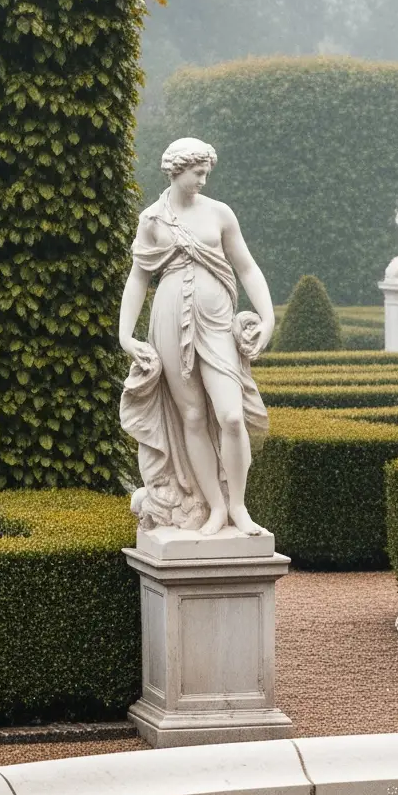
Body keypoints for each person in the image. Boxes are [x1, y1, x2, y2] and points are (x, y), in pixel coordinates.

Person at [118, 137, 275, 536]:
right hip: (169, 319)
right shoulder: (152, 219)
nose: (203, 180)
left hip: (217, 320)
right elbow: (138, 279)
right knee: (191, 415)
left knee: (231, 416)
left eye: (206, 173)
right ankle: (215, 507)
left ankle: (238, 506)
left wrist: (268, 318)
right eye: (198, 173)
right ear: (177, 170)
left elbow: (247, 267)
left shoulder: (220, 214)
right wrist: (125, 335)